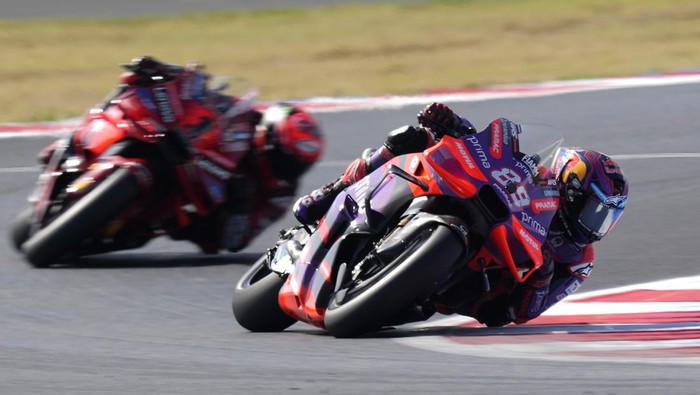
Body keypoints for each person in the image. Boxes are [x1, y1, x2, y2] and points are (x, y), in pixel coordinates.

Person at [292, 102, 628, 327]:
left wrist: (541, 274)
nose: (595, 223)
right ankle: (333, 191)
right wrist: (451, 123)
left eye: (606, 217)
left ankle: (396, 288)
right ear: (571, 188)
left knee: (489, 313)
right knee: (413, 138)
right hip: (478, 208)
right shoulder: (537, 173)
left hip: (477, 283)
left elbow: (526, 313)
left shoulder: (578, 259)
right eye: (595, 210)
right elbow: (488, 150)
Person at [39, 56, 325, 254]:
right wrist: (166, 73)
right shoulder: (244, 116)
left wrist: (239, 206)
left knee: (140, 234)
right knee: (130, 89)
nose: (284, 167)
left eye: (294, 165)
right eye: (283, 157)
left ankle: (110, 222)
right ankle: (77, 143)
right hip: (179, 152)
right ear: (270, 136)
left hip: (188, 211)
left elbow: (235, 241)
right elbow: (198, 88)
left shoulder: (280, 192)